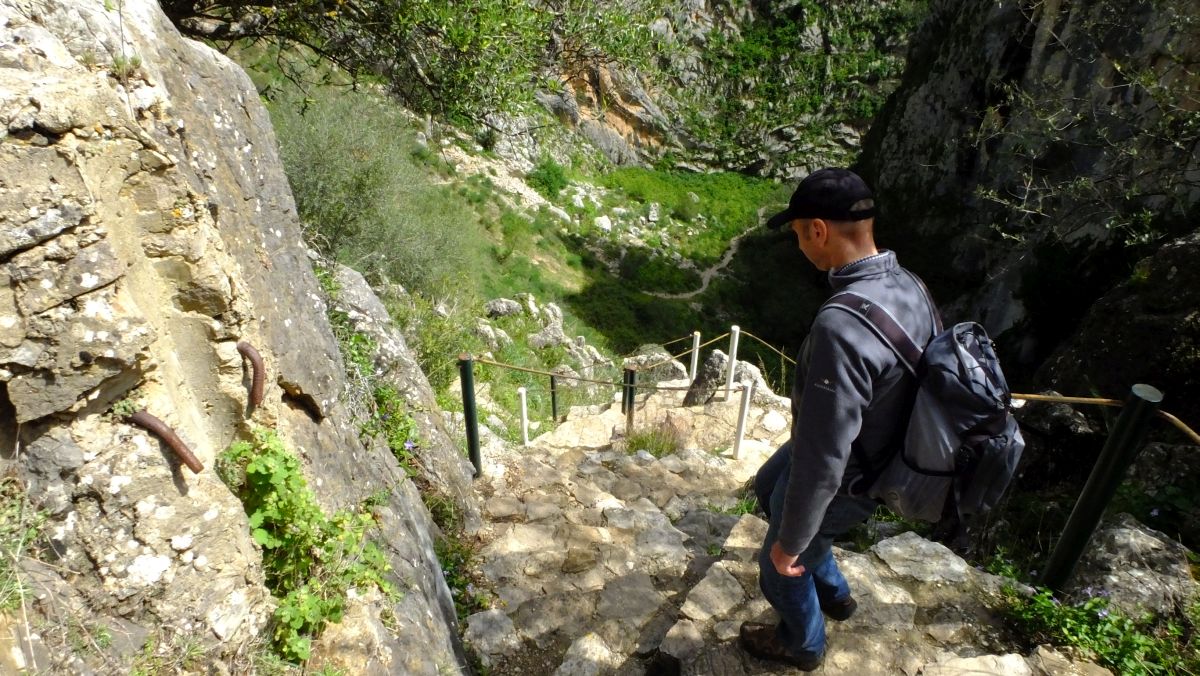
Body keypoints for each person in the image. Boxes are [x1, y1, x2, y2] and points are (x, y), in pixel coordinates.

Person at [739, 168, 939, 670]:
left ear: (818, 231)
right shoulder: (907, 282)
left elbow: (825, 458)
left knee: (777, 566)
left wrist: (789, 546)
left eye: (798, 232)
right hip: (886, 444)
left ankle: (801, 644)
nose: (799, 243)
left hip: (854, 470)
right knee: (767, 486)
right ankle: (835, 593)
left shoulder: (841, 326)